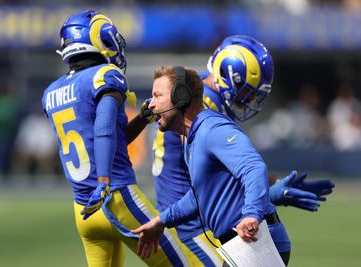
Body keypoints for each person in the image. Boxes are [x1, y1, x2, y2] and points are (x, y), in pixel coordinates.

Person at [128, 36, 334, 266]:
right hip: (208, 229)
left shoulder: (206, 124)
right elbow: (202, 191)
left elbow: (250, 166)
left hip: (245, 238)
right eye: (246, 93)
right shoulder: (202, 120)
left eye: (157, 96)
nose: (247, 102)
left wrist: (256, 208)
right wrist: (162, 221)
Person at [42, 10, 199, 267]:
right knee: (186, 264)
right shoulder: (104, 75)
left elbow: (108, 140)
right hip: (115, 196)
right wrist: (104, 180)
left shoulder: (52, 92)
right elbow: (103, 126)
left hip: (84, 210)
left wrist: (142, 118)